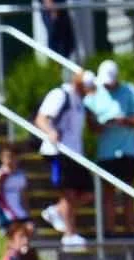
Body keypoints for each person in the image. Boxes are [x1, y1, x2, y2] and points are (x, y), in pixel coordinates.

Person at [34, 69, 95, 248]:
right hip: (59, 151)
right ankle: (69, 234)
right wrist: (51, 131)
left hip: (76, 153)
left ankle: (57, 211)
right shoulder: (61, 95)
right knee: (68, 193)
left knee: (87, 193)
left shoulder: (80, 101)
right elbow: (41, 118)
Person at [85, 59, 134, 233]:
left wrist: (123, 120)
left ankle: (129, 229)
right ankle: (110, 229)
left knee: (129, 191)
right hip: (107, 152)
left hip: (128, 150)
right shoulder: (94, 96)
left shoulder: (130, 91)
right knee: (108, 192)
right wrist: (103, 125)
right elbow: (92, 126)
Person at [0, 142, 29, 229]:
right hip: (5, 209)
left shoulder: (21, 175)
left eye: (12, 157)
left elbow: (23, 194)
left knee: (28, 229)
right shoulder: (0, 174)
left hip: (18, 209)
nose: (9, 160)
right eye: (6, 157)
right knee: (12, 233)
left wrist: (26, 209)